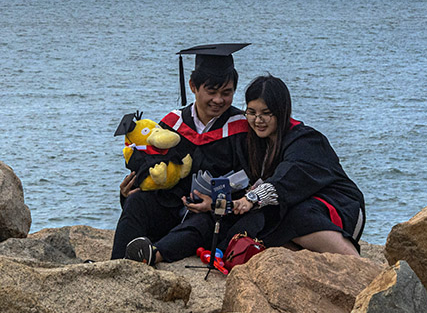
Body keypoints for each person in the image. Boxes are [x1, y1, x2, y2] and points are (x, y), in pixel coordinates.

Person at [111, 43, 249, 263]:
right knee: (137, 203)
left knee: (202, 223)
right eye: (211, 92)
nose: (219, 100)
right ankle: (116, 264)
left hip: (211, 214)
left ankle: (150, 256)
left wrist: (215, 203)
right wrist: (128, 192)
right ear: (193, 86)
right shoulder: (172, 124)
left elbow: (251, 182)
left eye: (227, 92)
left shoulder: (241, 128)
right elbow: (155, 168)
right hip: (172, 207)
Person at [232, 74, 365, 255]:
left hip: (339, 204)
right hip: (298, 201)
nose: (258, 120)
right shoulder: (257, 142)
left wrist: (252, 198)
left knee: (296, 215)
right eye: (252, 112)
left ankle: (356, 262)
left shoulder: (306, 140)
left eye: (266, 113)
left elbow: (288, 176)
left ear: (281, 111)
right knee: (254, 223)